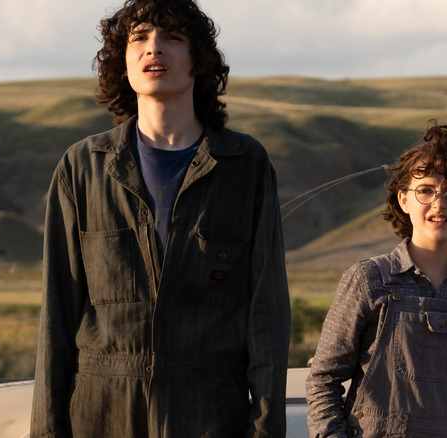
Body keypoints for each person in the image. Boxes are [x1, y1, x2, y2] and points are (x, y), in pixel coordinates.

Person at [30, 0, 291, 436]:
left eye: (172, 37)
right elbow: (55, 319)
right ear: (124, 63)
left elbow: (267, 313)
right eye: (139, 38)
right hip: (103, 412)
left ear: (198, 61)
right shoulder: (83, 167)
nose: (154, 48)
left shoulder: (244, 164)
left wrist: (266, 430)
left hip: (209, 412)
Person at [305, 121, 447, 437]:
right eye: (425, 190)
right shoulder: (368, 280)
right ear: (403, 200)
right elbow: (323, 380)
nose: (439, 204)